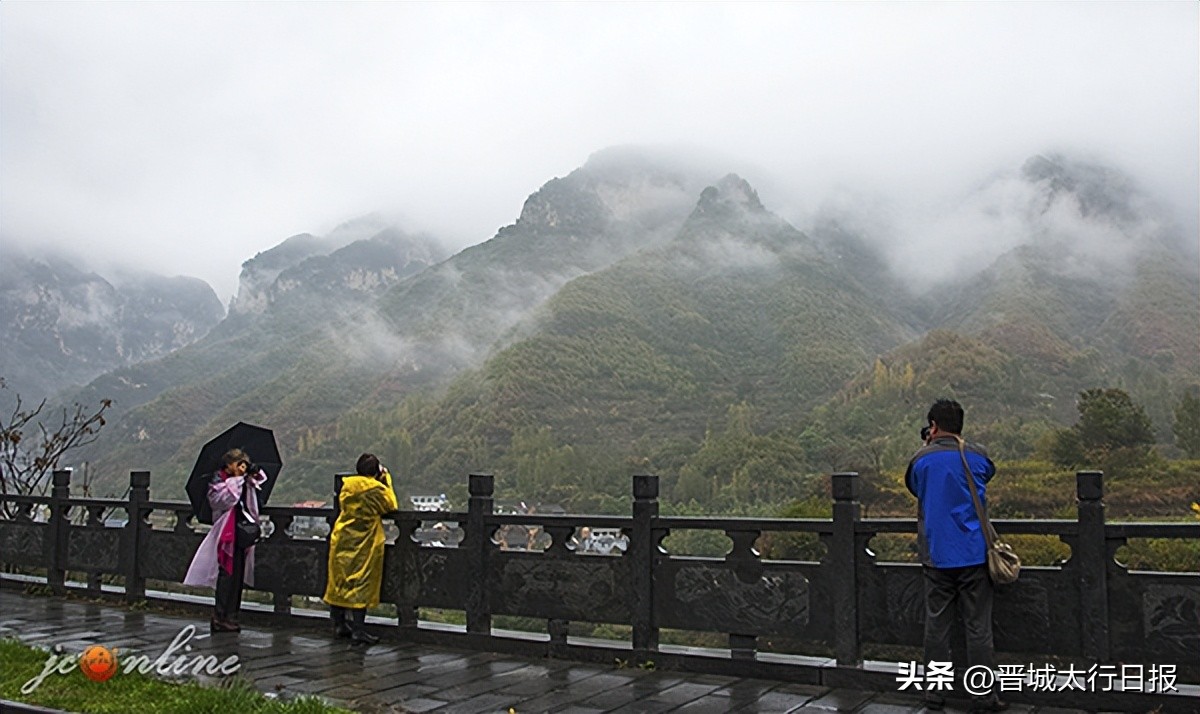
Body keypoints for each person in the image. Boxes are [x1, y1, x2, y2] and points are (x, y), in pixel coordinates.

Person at [904, 399, 1006, 713]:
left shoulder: (920, 460)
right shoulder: (977, 456)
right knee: (978, 627)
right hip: (975, 555)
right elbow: (987, 474)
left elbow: (914, 486)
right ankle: (983, 696)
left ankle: (935, 693)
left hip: (936, 556)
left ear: (933, 426)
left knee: (937, 626)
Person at [183, 448, 267, 633]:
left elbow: (261, 480)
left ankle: (232, 615)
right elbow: (225, 500)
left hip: (242, 533)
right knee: (226, 576)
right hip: (225, 534)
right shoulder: (217, 481)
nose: (242, 467)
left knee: (238, 577)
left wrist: (250, 473)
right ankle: (220, 616)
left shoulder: (246, 481)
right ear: (228, 465)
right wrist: (237, 479)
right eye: (238, 463)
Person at [323, 453, 398, 645]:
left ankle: (339, 624)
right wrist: (386, 480)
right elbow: (391, 505)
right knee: (361, 583)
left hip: (342, 537)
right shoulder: (376, 489)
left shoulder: (347, 485)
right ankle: (358, 629)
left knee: (339, 582)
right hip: (364, 542)